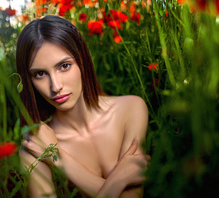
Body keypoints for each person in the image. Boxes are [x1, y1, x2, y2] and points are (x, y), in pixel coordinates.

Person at [17, 15, 150, 198]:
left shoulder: (131, 109)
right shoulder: (35, 146)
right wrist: (119, 179)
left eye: (64, 66)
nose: (55, 86)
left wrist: (58, 157)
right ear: (29, 80)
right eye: (40, 74)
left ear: (82, 60)